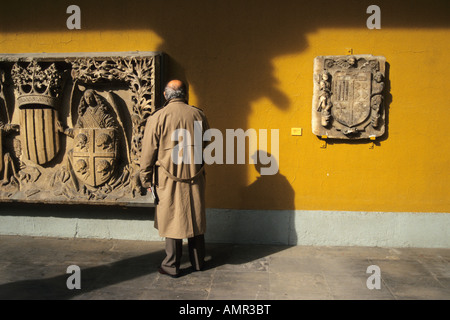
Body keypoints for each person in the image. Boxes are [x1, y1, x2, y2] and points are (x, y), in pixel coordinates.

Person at [140, 80, 210, 278]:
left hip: (167, 177)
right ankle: (198, 261)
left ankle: (171, 265)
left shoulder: (158, 117)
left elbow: (148, 152)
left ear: (165, 95)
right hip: (194, 174)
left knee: (171, 218)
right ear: (185, 94)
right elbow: (207, 142)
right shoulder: (198, 114)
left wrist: (145, 178)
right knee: (194, 216)